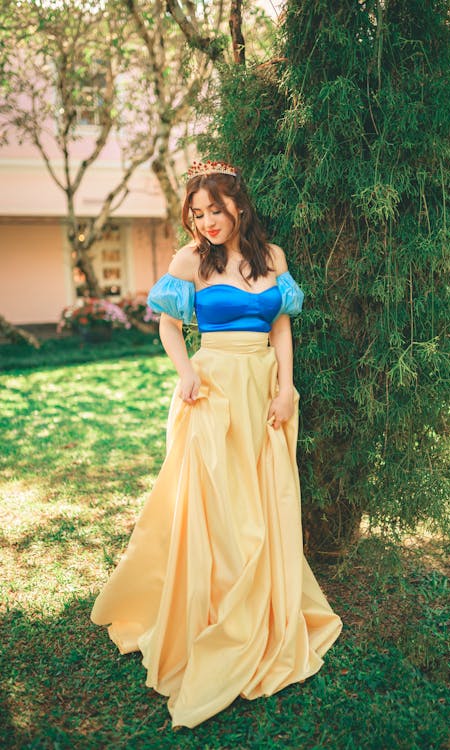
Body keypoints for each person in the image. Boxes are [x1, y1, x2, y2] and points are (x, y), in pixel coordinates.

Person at [90, 159, 343, 729]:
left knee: (262, 496)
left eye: (214, 211)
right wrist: (184, 373)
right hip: (211, 389)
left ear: (238, 206)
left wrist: (287, 387)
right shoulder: (189, 261)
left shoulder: (271, 257)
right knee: (218, 505)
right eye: (197, 214)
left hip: (263, 392)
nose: (206, 222)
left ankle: (265, 609)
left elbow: (281, 326)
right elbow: (167, 326)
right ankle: (216, 611)